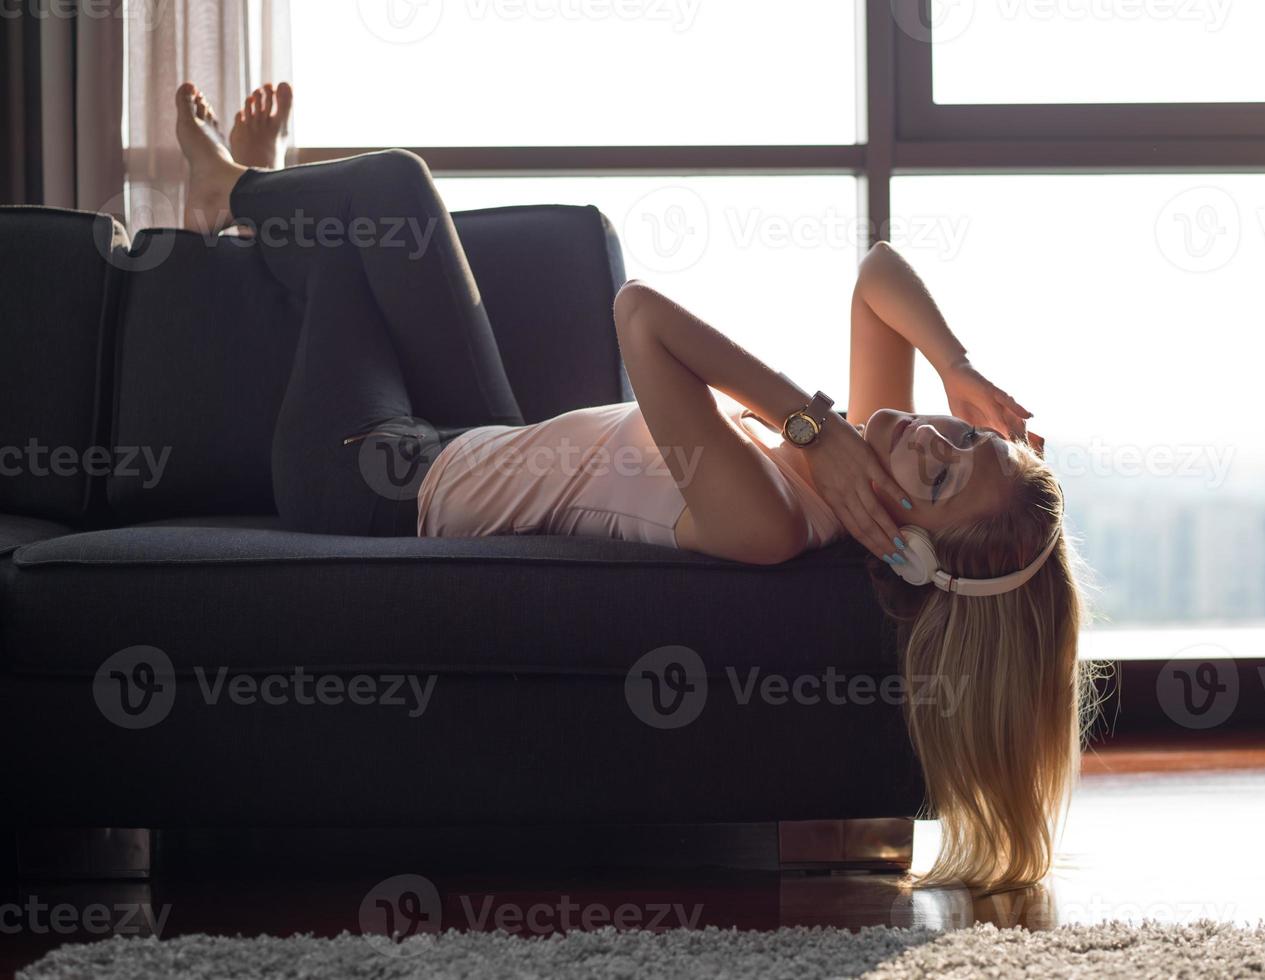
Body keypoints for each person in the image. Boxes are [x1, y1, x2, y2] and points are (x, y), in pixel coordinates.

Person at [173, 82, 1094, 892]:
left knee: (366, 209)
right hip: (476, 436)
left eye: (940, 468)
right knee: (403, 194)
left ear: (911, 546)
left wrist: (811, 428)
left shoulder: (770, 520)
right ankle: (258, 198)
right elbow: (875, 274)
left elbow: (639, 314)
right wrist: (957, 364)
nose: (931, 429)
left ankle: (233, 195)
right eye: (963, 434)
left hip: (367, 478)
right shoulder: (864, 472)